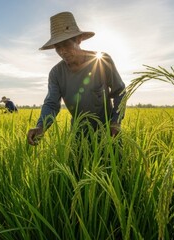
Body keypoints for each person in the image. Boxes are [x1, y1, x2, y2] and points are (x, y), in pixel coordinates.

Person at [27, 11, 126, 146]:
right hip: (78, 136)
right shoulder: (56, 73)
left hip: (108, 133)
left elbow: (120, 91)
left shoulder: (102, 61)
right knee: (76, 167)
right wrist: (41, 126)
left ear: (78, 39)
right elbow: (51, 103)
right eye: (58, 47)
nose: (62, 52)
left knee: (114, 165)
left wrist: (116, 122)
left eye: (66, 44)